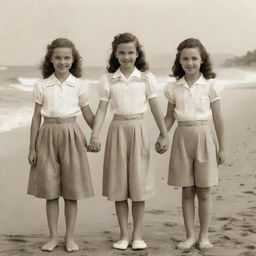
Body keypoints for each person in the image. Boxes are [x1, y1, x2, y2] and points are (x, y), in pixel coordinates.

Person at [88, 32, 168, 250]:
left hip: (139, 129)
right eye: (122, 52)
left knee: (139, 186)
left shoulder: (146, 78)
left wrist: (164, 133)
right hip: (117, 131)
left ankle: (138, 235)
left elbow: (155, 107)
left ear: (137, 52)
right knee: (119, 186)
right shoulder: (108, 80)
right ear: (115, 54)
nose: (126, 57)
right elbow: (102, 109)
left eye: (131, 52)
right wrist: (95, 135)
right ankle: (124, 235)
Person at [157, 38, 225, 251]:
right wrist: (162, 135)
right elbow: (169, 117)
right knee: (187, 190)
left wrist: (222, 147)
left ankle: (204, 236)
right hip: (182, 138)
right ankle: (189, 236)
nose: (190, 62)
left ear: (202, 60)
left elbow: (218, 118)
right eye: (185, 58)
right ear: (179, 60)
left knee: (204, 190)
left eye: (194, 58)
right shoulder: (173, 88)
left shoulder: (211, 86)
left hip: (204, 136)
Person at [27, 38, 94, 252]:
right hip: (46, 136)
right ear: (51, 59)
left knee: (71, 190)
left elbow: (88, 114)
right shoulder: (42, 85)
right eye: (58, 57)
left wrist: (97, 134)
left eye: (67, 57)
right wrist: (32, 147)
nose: (62, 62)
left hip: (72, 134)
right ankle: (53, 237)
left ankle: (70, 237)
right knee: (51, 190)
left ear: (73, 60)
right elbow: (36, 117)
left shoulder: (80, 85)